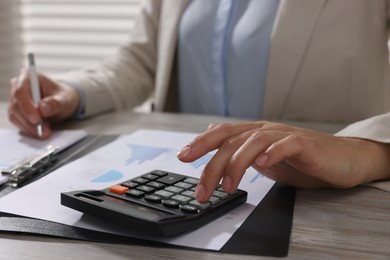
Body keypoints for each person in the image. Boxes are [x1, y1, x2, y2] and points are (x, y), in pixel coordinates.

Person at [8, 0, 390, 201]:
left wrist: (365, 151)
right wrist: (73, 93)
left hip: (323, 196)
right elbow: (143, 60)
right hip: (188, 183)